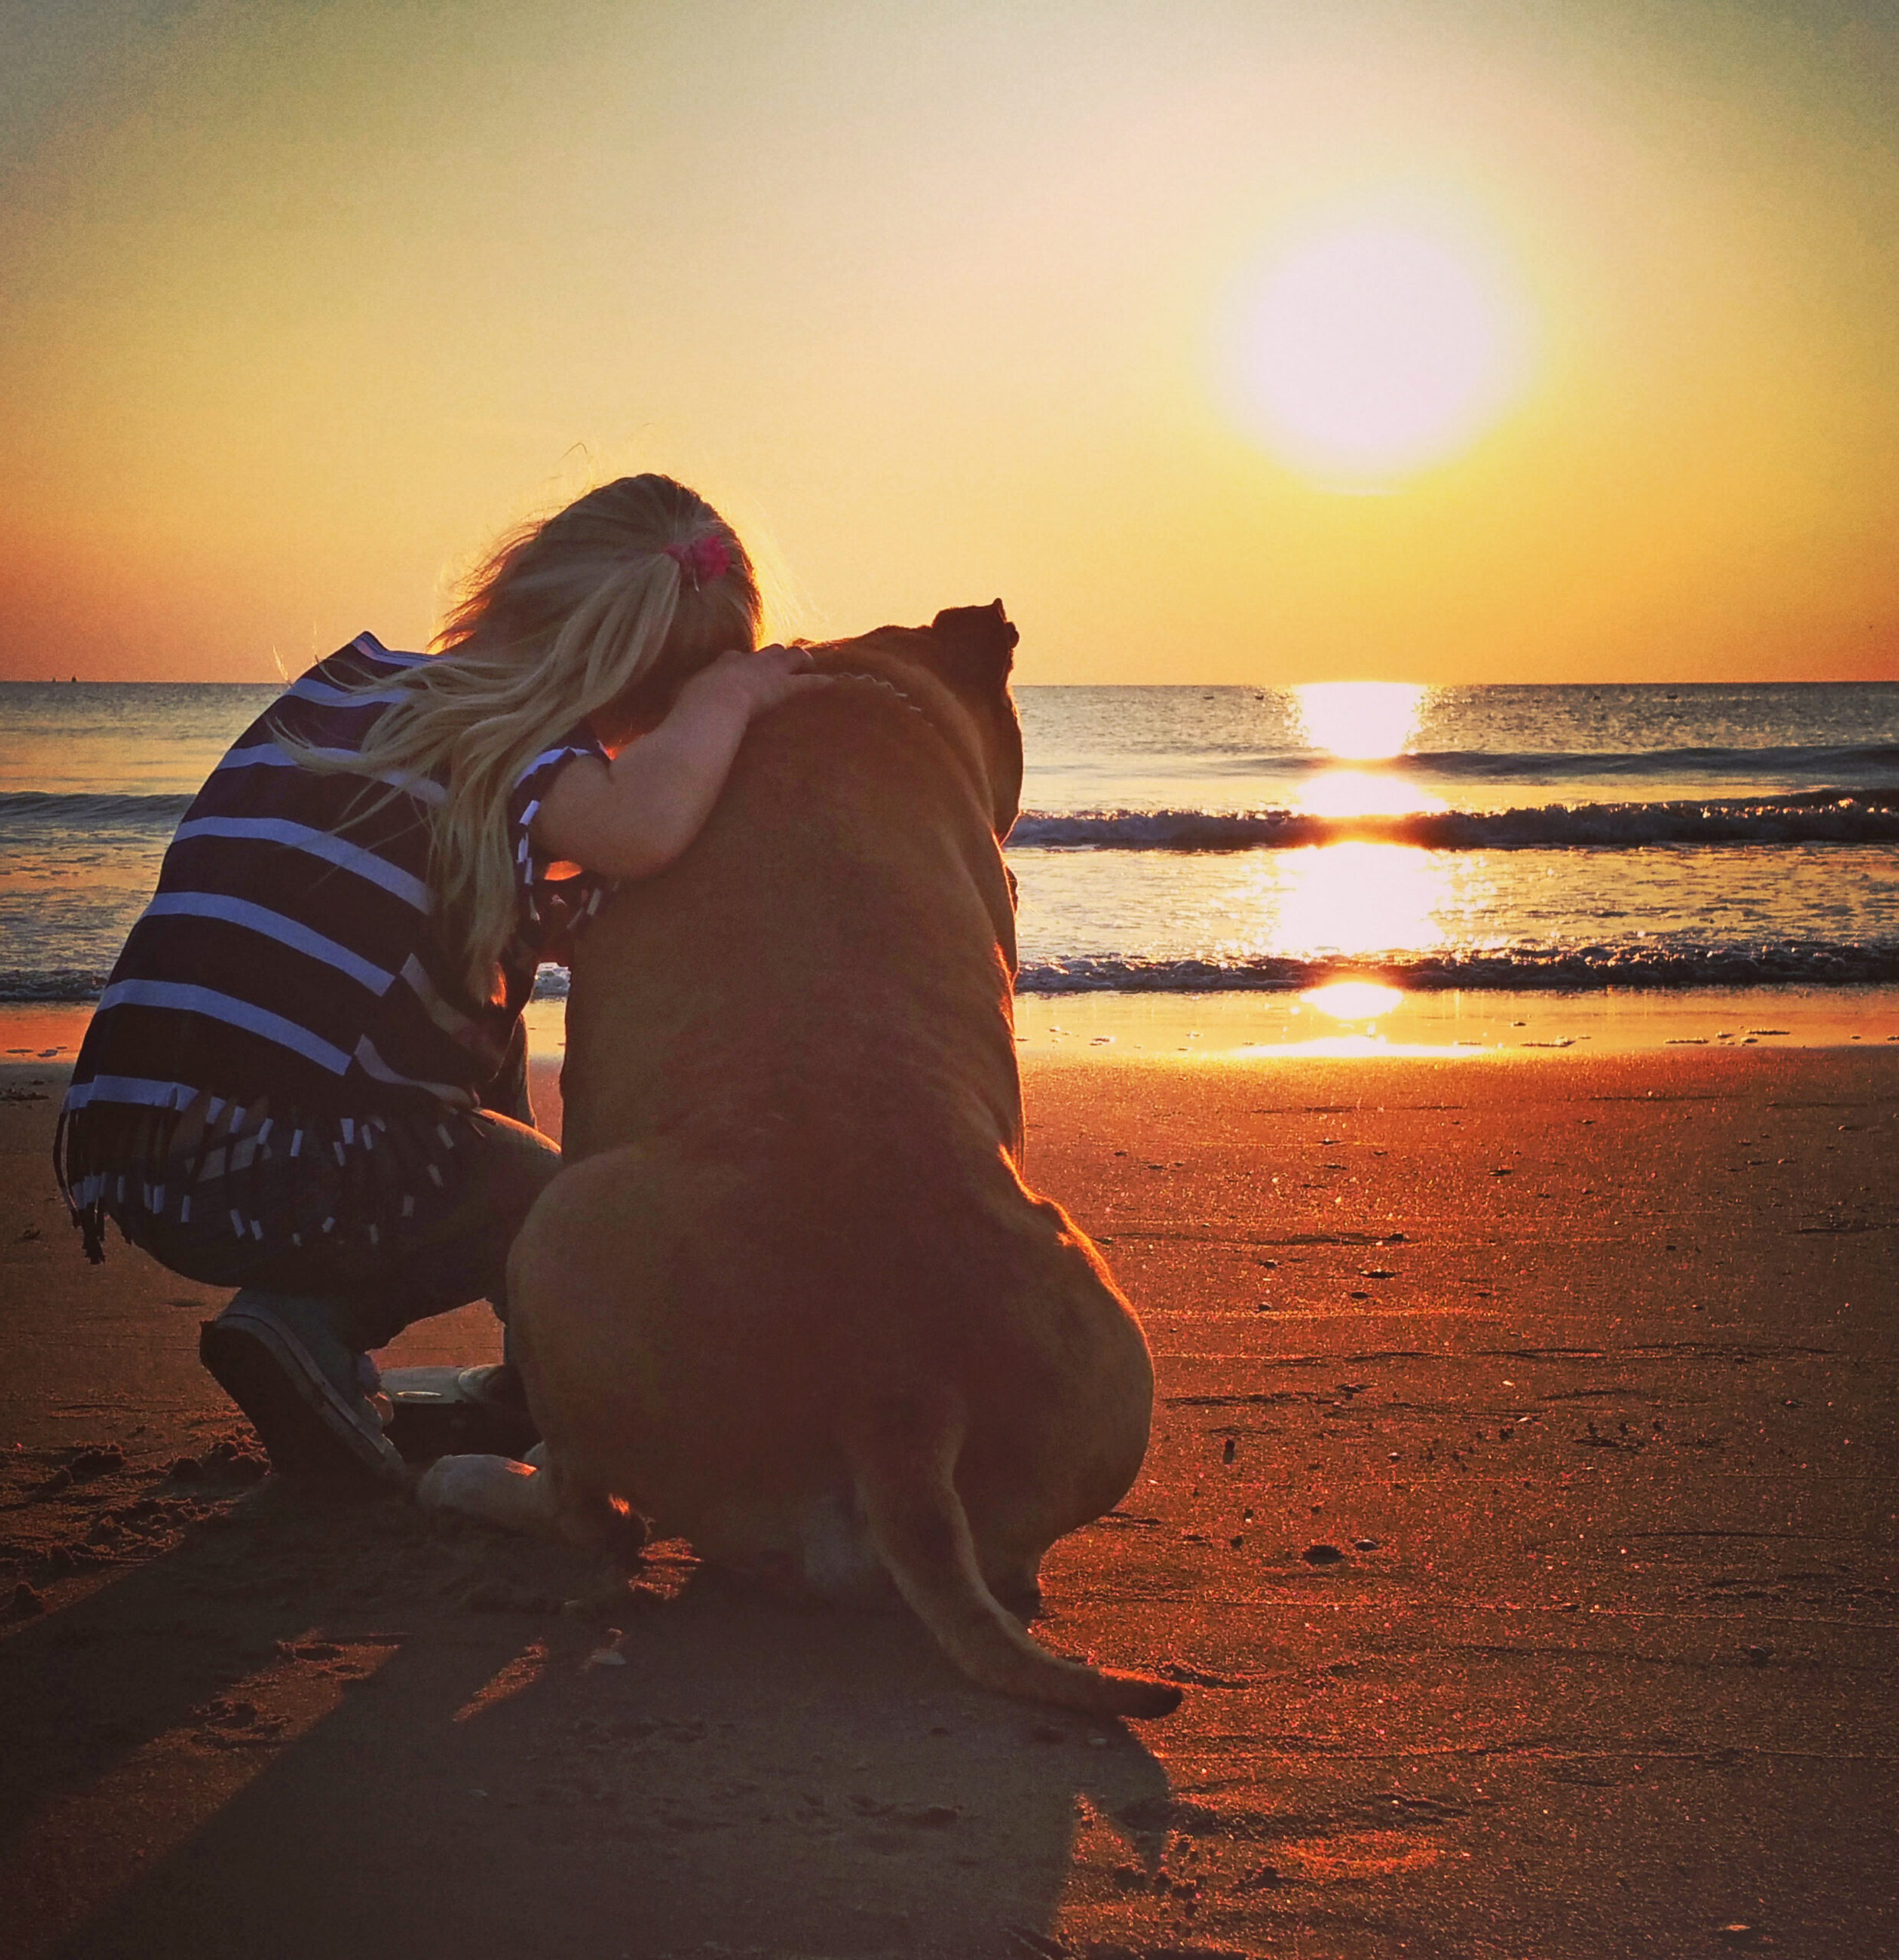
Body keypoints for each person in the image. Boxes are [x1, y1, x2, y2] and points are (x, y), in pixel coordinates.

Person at [55, 474, 825, 1485]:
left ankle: (511, 1376)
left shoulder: (349, 691)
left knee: (491, 1104)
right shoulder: (510, 750)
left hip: (137, 1143)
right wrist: (731, 698)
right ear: (639, 705)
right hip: (272, 1172)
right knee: (558, 1201)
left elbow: (448, 1054)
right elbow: (643, 826)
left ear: (519, 578)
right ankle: (310, 1320)